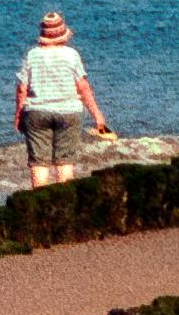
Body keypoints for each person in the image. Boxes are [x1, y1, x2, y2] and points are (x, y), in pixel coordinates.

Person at [14, 9, 111, 185]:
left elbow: (22, 88)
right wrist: (97, 116)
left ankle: (39, 203)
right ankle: (62, 200)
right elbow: (83, 86)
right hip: (69, 111)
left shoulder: (32, 55)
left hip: (37, 111)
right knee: (65, 160)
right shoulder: (71, 55)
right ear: (63, 35)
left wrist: (18, 115)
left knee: (39, 162)